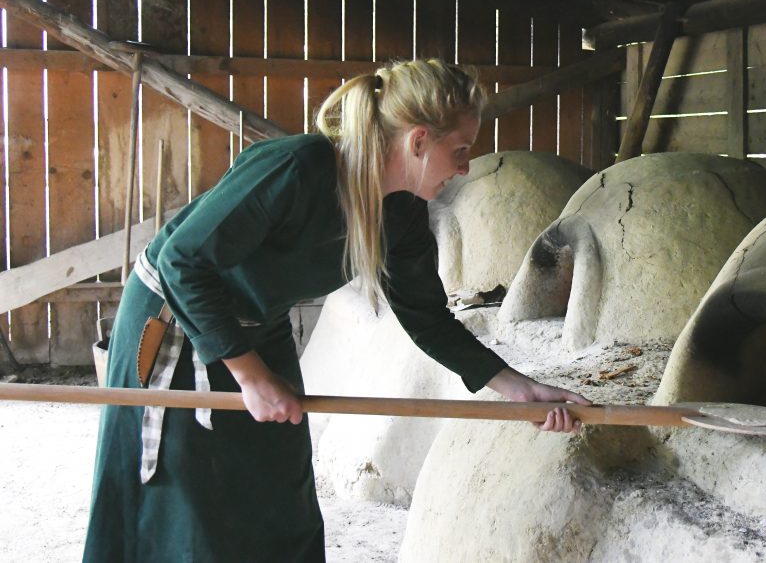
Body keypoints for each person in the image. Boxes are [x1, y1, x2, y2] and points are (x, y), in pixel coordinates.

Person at [83, 58, 591, 562]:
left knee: (282, 491)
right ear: (418, 141)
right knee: (185, 491)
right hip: (178, 317)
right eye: (459, 151)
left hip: (261, 327)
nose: (464, 167)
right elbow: (182, 262)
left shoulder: (404, 213)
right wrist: (253, 379)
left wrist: (519, 389)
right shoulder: (299, 166)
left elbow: (428, 319)